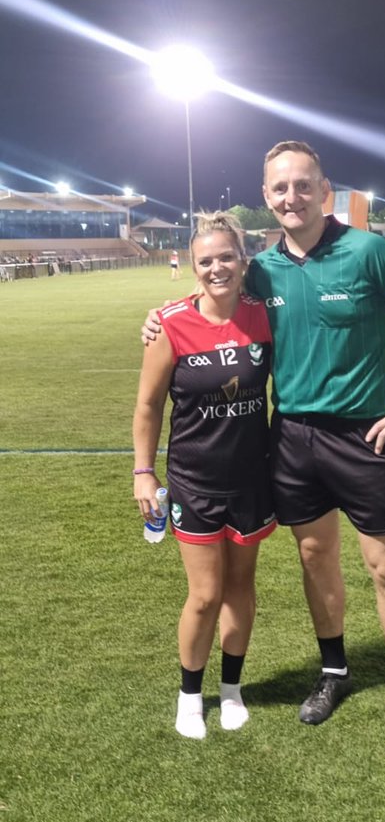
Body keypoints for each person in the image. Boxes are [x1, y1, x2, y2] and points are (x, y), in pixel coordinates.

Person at [142, 143, 385, 753]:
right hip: (290, 435)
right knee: (315, 558)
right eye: (280, 188)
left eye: (303, 185)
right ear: (267, 197)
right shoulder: (261, 269)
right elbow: (211, 295)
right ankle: (333, 673)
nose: (292, 197)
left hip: (365, 434)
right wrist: (156, 318)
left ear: (324, 190)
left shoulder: (370, 251)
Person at [133, 212, 276, 740]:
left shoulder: (264, 317)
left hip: (253, 480)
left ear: (242, 259)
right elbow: (148, 406)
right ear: (194, 266)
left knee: (241, 589)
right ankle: (190, 696)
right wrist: (143, 472)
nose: (217, 268)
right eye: (206, 260)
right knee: (205, 594)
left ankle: (233, 690)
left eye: (226, 257)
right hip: (194, 481)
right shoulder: (170, 323)